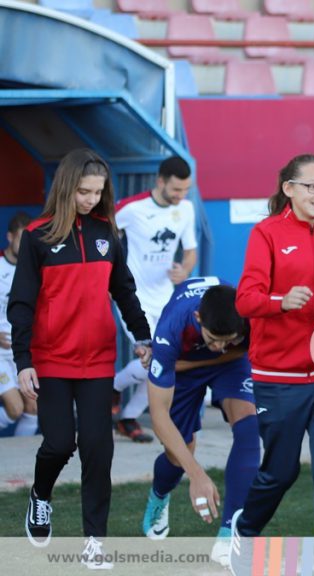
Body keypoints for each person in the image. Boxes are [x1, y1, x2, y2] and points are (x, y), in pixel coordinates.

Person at [9, 149, 152, 568]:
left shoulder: (107, 232)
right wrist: (23, 361)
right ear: (66, 188)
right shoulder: (38, 236)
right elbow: (21, 304)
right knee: (58, 444)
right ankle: (40, 496)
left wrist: (142, 336)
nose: (90, 199)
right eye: (84, 191)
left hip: (97, 361)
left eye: (97, 192)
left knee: (98, 449)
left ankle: (95, 542)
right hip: (50, 360)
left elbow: (123, 290)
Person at [229, 154, 314, 574]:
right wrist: (280, 302)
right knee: (280, 472)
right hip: (277, 377)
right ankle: (244, 530)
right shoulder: (266, 234)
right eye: (313, 186)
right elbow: (246, 300)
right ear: (289, 188)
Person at [140, 278, 257, 568]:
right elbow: (158, 415)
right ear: (198, 318)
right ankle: (159, 494)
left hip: (228, 364)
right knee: (180, 451)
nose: (218, 346)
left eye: (227, 338)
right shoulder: (171, 331)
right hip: (184, 368)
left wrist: (224, 350)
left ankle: (230, 533)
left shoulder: (248, 318)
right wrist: (197, 475)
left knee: (250, 427)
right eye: (212, 338)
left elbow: (244, 350)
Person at [112, 156, 198, 443]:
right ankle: (115, 393)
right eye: (176, 189)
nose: (180, 196)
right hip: (133, 300)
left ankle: (125, 414)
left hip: (166, 299)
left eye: (185, 190)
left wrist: (184, 270)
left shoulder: (185, 209)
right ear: (160, 181)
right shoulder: (131, 209)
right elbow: (101, 235)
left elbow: (190, 252)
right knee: (155, 358)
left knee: (168, 359)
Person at [1, 212, 38, 436]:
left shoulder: (34, 269)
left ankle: (25, 468)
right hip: (0, 351)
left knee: (33, 408)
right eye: (20, 240)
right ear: (9, 237)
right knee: (15, 408)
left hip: (21, 350)